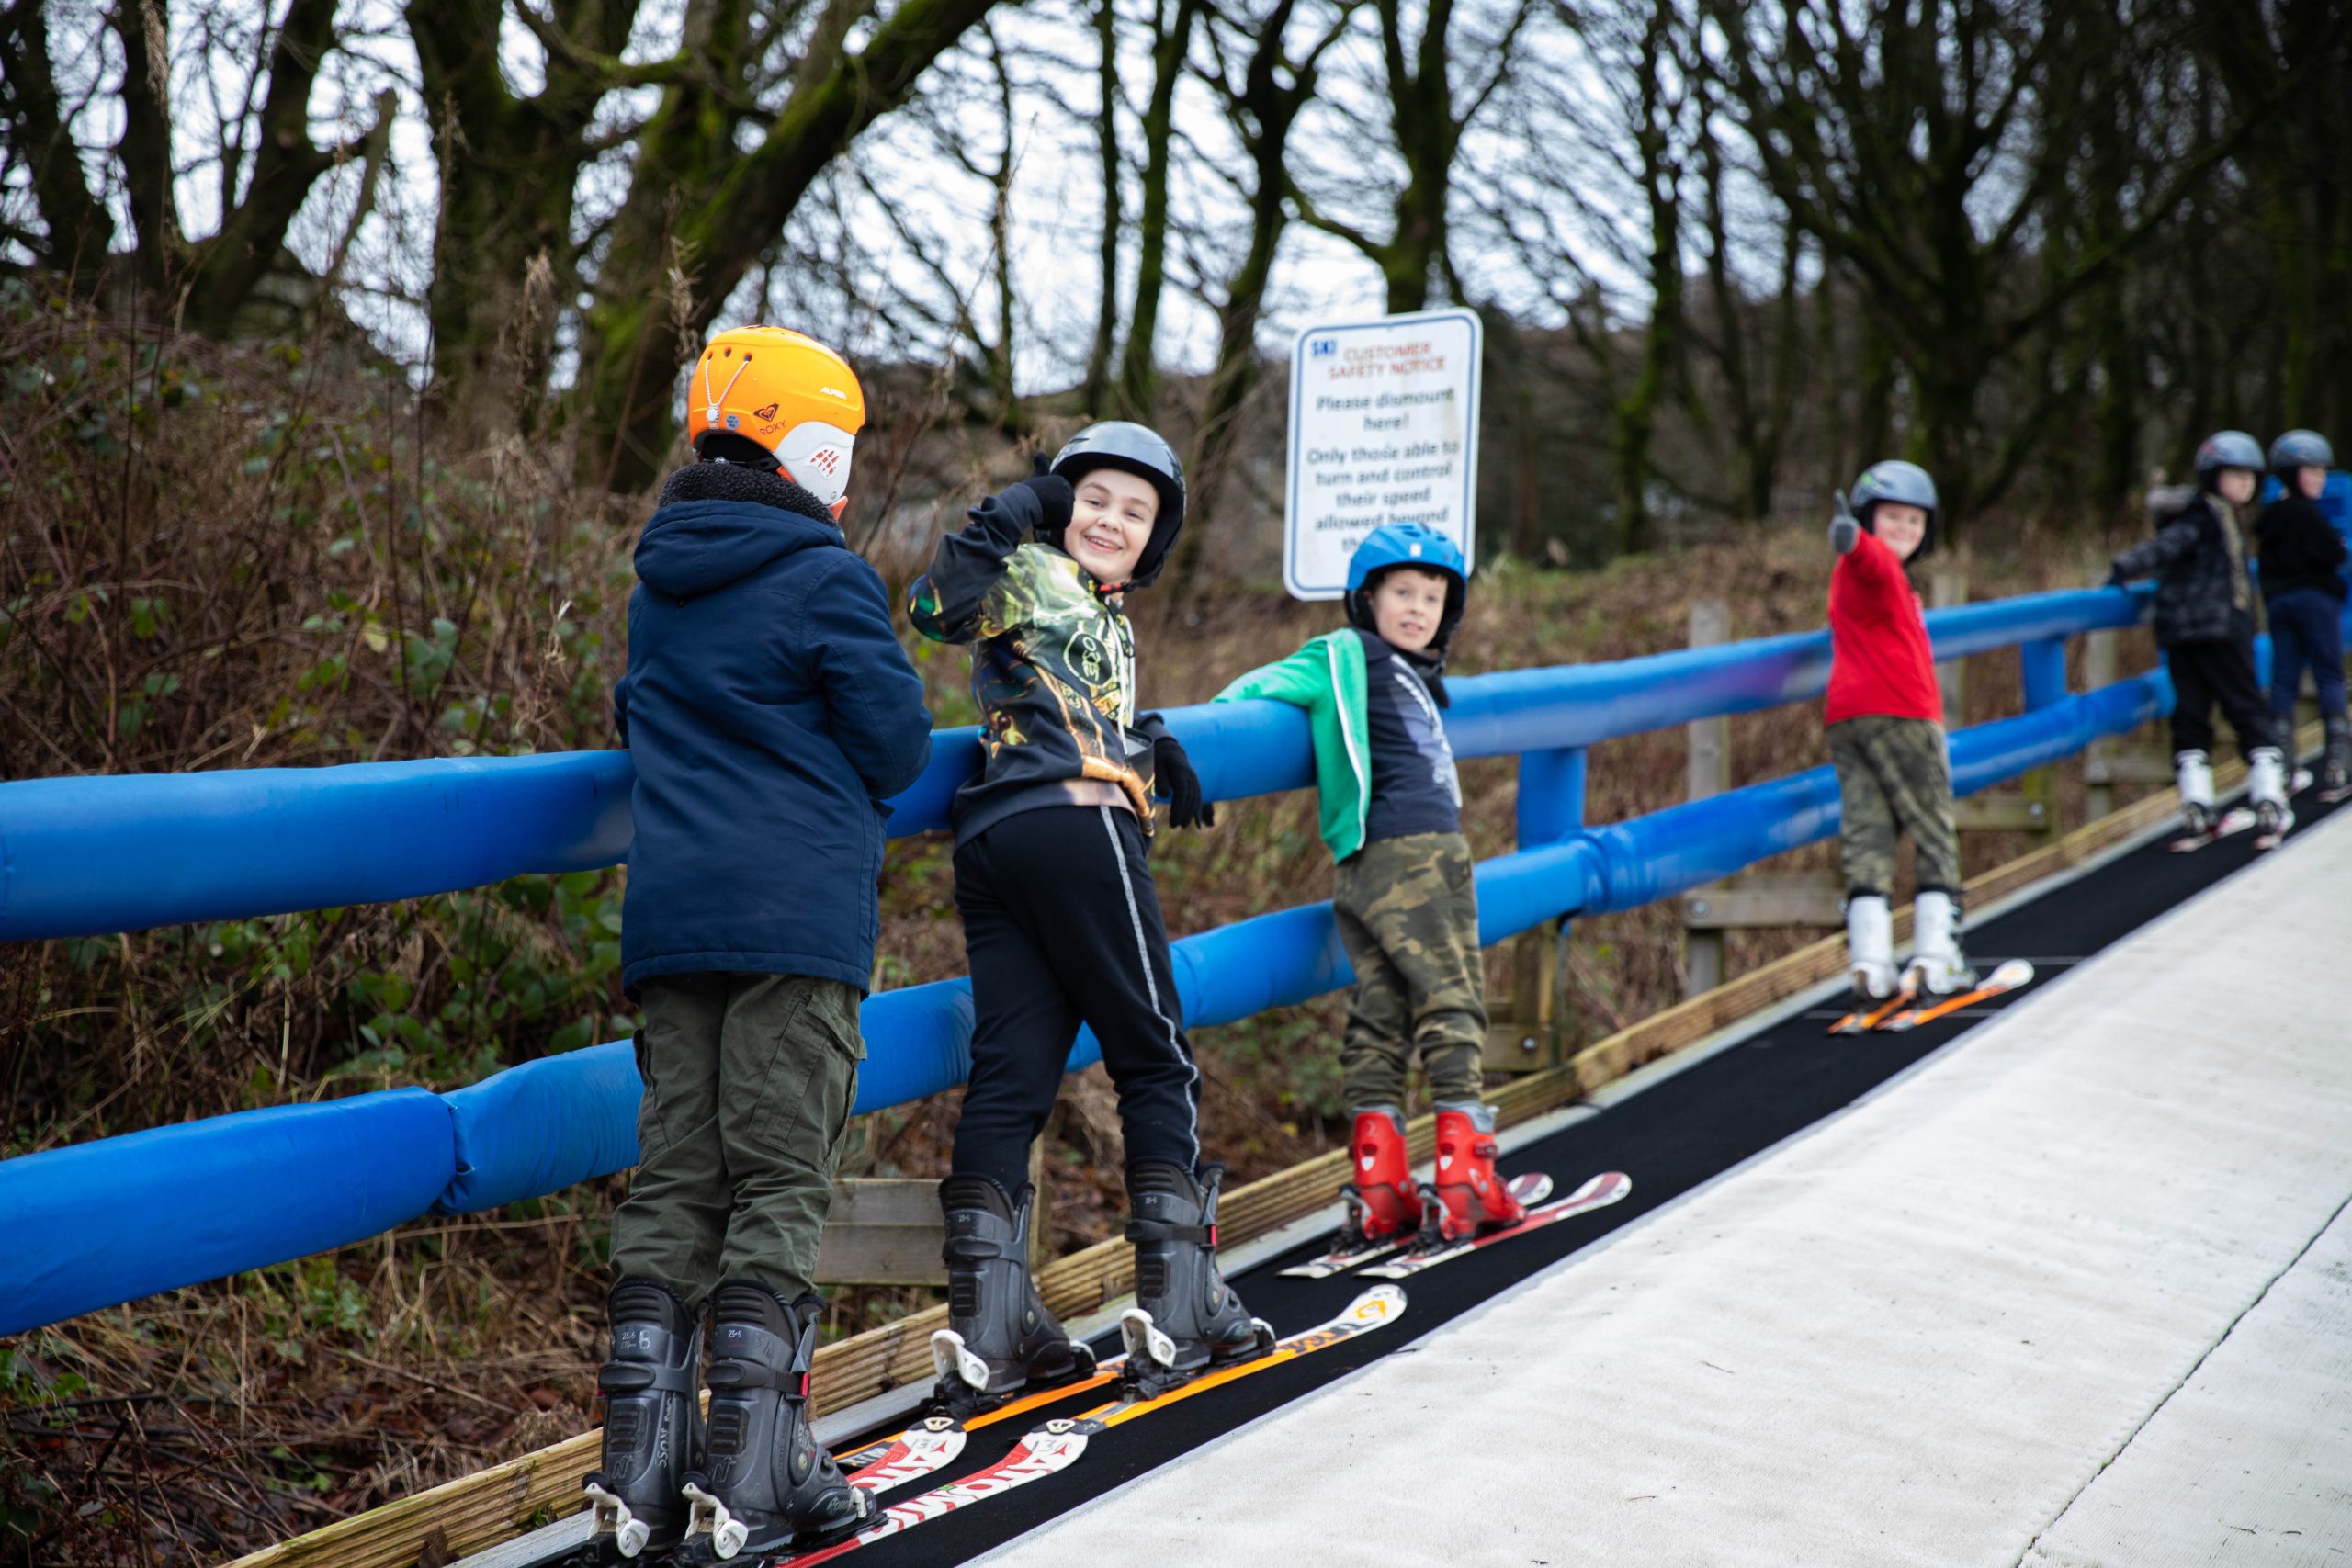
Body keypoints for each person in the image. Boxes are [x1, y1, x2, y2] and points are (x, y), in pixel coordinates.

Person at [589, 325, 933, 1562]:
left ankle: (638, 1470)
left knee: (678, 1172)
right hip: (796, 923)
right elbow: (895, 743)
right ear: (812, 451)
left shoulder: (655, 578)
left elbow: (636, 717)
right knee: (783, 1175)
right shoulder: (825, 574)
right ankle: (752, 1465)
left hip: (675, 923)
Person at [908, 422, 1265, 1404]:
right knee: (1153, 1052)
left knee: (1011, 1073)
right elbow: (934, 607)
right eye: (1091, 499)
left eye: (1133, 511)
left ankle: (992, 1323)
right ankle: (1183, 1296)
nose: (1108, 519)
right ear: (1059, 504)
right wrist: (1011, 512)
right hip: (1076, 828)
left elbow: (1058, 696)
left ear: (1155, 540)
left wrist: (1150, 744)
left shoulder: (1104, 614)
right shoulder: (1023, 564)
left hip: (1000, 840)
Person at [1212, 523, 1521, 1251]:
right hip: (1415, 853)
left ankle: (1381, 1186)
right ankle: (1465, 1175)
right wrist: (1212, 758)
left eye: (1433, 597)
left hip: (1368, 863)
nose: (1418, 608)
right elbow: (1261, 685)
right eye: (1402, 593)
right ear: (1366, 599)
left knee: (1380, 1008)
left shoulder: (1415, 673)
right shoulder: (1347, 654)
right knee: (1452, 994)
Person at [1826, 461, 1972, 1002]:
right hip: (1902, 716)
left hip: (1848, 716)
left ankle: (1870, 959)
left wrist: (1856, 544)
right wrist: (1854, 541)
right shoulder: (1873, 564)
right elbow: (1870, 561)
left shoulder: (1857, 578)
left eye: (1914, 521)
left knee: (1869, 829)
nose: (1905, 530)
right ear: (1869, 520)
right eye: (1893, 519)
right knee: (1933, 826)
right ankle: (1937, 956)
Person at [2109, 431, 2293, 842]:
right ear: (2214, 477)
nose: (2245, 484)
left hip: (2181, 632)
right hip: (2217, 632)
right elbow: (2168, 546)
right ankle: (2268, 794)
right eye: (2236, 476)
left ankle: (2197, 801)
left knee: (2191, 714)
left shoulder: (2216, 515)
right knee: (2247, 709)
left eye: (2251, 477)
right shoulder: (2205, 515)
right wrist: (2126, 565)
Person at [2256, 429, 2349, 799]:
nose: (2320, 480)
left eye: (2323, 473)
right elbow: (2333, 555)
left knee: (2283, 681)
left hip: (2280, 605)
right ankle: (2339, 762)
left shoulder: (2270, 519)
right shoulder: (2309, 516)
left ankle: (2284, 764)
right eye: (2313, 472)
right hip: (2316, 603)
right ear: (2294, 474)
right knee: (2329, 674)